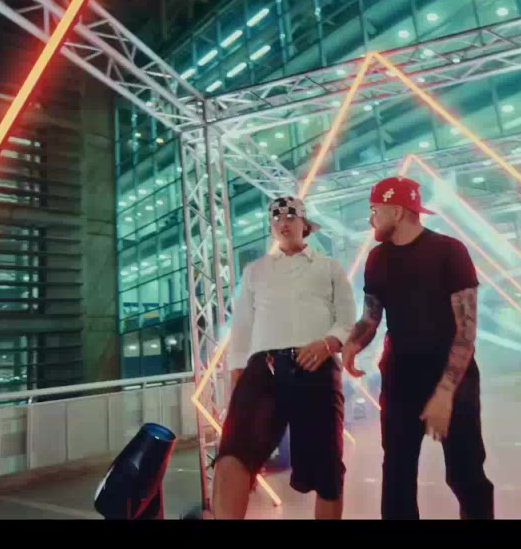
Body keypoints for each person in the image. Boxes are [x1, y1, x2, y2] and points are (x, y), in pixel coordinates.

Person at [342, 176, 495, 520]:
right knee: (397, 475)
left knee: (466, 475)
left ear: (397, 212)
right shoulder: (376, 259)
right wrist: (353, 343)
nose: (370, 219)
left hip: (453, 377)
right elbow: (371, 316)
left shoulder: (450, 251)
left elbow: (466, 331)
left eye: (375, 210)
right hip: (400, 377)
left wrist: (444, 393)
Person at [211, 196, 356, 520]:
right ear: (271, 227)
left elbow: (348, 320)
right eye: (276, 218)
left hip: (317, 368)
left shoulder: (329, 267)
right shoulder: (255, 271)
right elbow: (242, 327)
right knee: (233, 452)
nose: (283, 222)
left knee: (328, 470)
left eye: (291, 216)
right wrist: (238, 376)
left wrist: (327, 343)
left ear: (305, 224)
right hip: (263, 369)